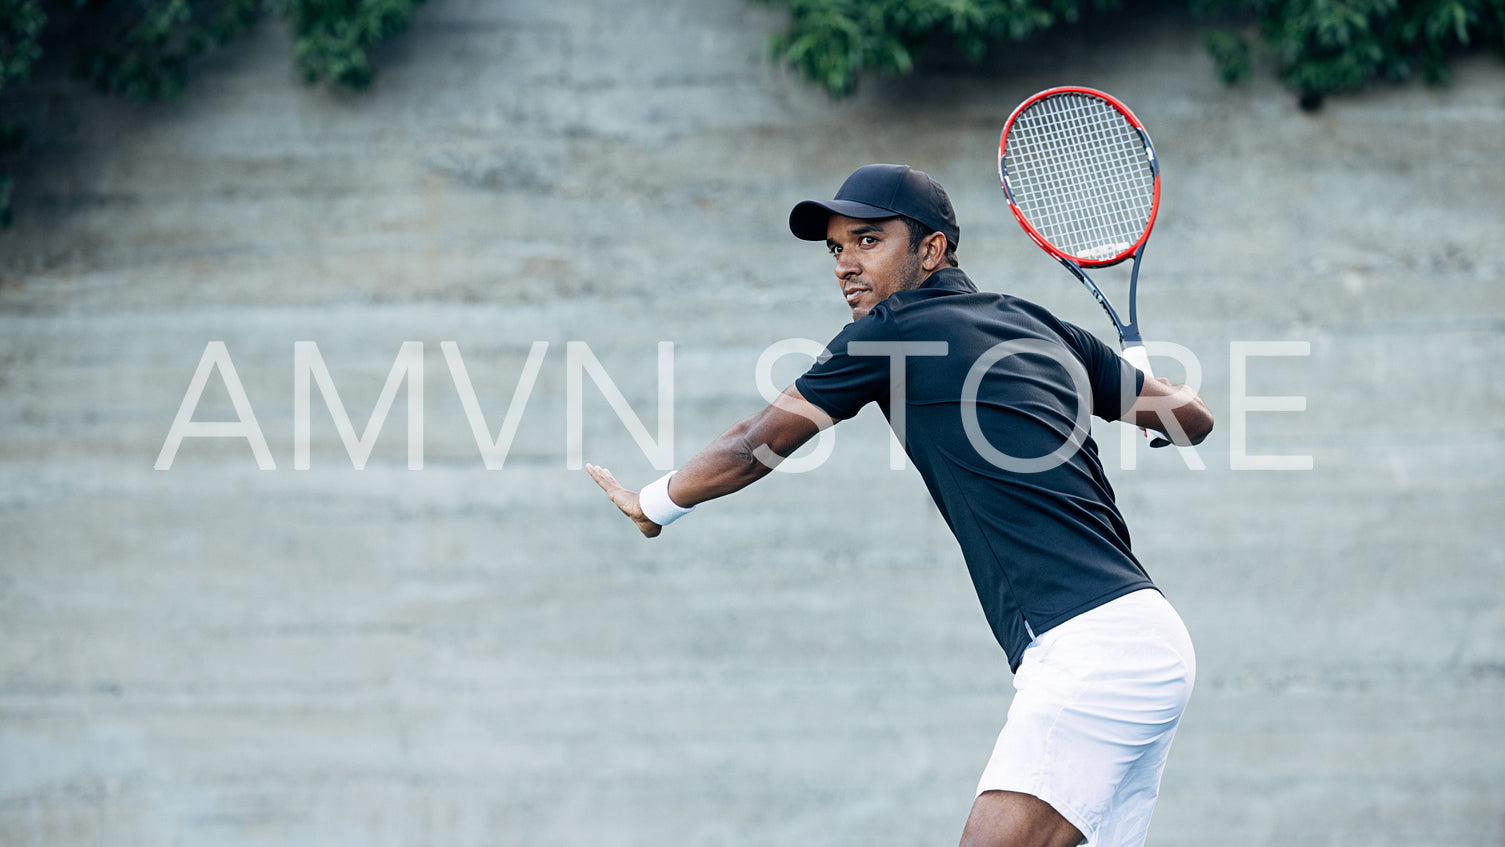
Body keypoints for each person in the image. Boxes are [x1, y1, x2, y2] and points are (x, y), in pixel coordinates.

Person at [586, 163, 1213, 847]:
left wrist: (652, 503)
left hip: (1096, 651)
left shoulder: (889, 331)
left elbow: (753, 445)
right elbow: (1191, 419)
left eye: (867, 241)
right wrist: (1150, 388)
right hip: (1142, 638)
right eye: (836, 248)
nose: (844, 264)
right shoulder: (1045, 327)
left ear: (931, 250)